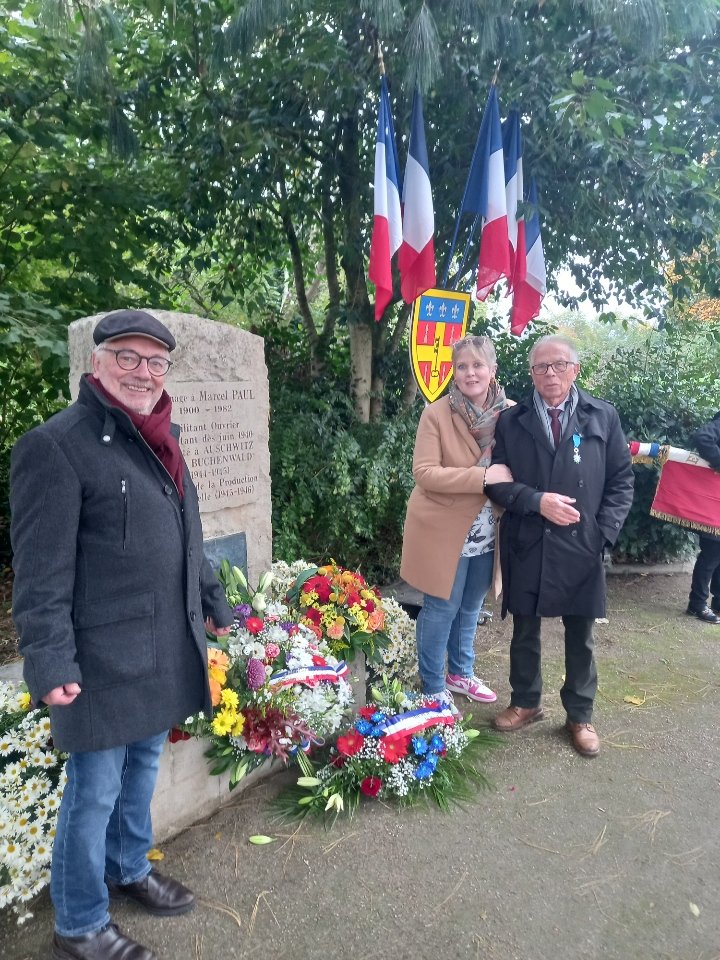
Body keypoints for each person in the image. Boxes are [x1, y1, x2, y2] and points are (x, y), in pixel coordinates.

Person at [10, 310, 235, 960]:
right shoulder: (56, 445)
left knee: (141, 770)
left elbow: (189, 535)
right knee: (94, 792)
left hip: (161, 646)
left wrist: (213, 602)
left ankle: (129, 867)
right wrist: (48, 659)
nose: (143, 372)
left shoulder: (162, 436)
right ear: (98, 364)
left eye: (155, 361)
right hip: (100, 660)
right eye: (128, 358)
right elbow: (40, 570)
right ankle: (78, 924)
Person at [485, 334, 634, 758]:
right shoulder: (512, 421)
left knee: (581, 634)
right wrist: (536, 502)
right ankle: (526, 702)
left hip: (582, 545)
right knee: (524, 629)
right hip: (528, 539)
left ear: (575, 370)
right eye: (540, 367)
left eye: (559, 365)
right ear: (531, 372)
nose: (549, 374)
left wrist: (602, 534)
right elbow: (498, 483)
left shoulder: (602, 416)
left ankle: (580, 715)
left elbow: (622, 481)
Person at [400, 335, 514, 711]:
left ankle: (460, 673)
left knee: (470, 606)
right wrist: (482, 477)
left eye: (478, 365)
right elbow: (425, 473)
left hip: (488, 529)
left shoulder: (510, 413)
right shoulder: (436, 413)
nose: (470, 373)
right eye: (462, 366)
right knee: (442, 608)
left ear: (492, 370)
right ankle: (432, 685)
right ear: (454, 371)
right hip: (442, 529)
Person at [686, 411, 720, 623]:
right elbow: (703, 438)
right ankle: (697, 604)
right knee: (711, 554)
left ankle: (718, 601)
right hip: (713, 501)